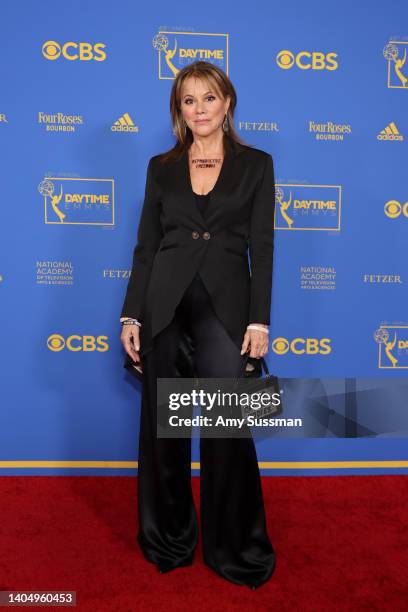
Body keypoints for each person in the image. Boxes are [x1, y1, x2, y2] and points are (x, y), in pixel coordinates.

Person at [120, 60, 276, 589]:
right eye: (189, 101)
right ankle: (169, 538)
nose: (200, 109)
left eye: (209, 98)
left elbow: (263, 247)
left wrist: (259, 320)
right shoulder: (160, 167)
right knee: (165, 434)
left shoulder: (257, 164)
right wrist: (131, 314)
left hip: (226, 310)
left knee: (225, 430)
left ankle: (234, 545)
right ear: (178, 110)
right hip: (163, 307)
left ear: (227, 103)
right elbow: (145, 248)